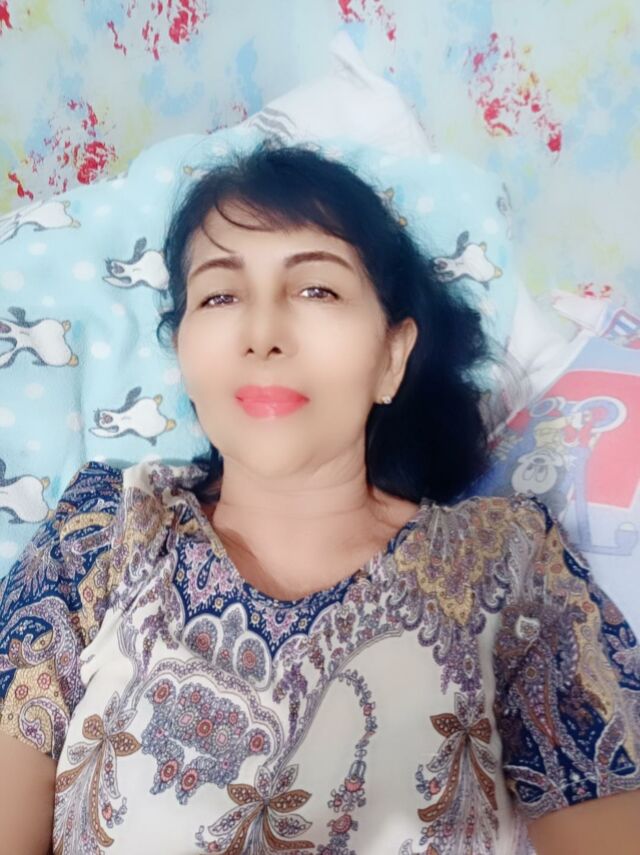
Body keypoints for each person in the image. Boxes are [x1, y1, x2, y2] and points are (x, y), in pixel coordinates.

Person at [0, 138, 639, 855]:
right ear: (183, 353)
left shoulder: (513, 567)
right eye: (220, 295)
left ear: (391, 355)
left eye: (316, 290)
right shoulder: (100, 531)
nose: (263, 333)